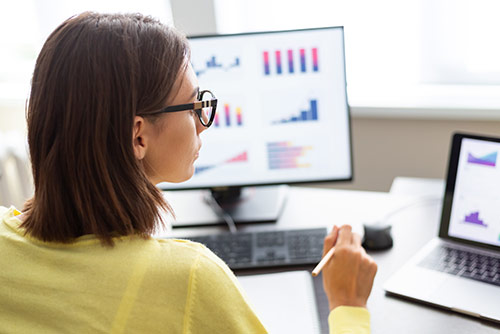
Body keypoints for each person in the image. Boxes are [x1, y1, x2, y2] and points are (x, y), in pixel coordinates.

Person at [0, 12, 377, 333]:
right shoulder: (190, 279)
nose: (204, 122)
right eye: (194, 104)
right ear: (138, 135)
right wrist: (347, 305)